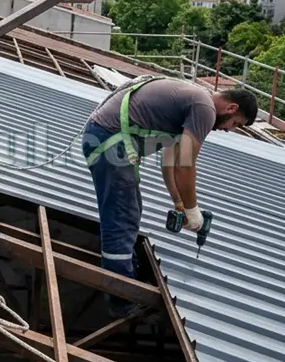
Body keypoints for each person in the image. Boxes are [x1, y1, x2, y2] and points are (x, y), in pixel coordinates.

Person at [81, 77, 257, 316]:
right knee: (121, 219)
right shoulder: (204, 108)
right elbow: (186, 165)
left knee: (131, 213)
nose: (228, 129)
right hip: (111, 142)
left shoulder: (193, 101)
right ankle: (121, 301)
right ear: (231, 108)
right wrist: (194, 212)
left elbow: (171, 164)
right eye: (235, 124)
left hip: (107, 140)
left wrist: (179, 203)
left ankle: (126, 279)